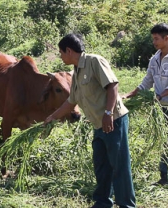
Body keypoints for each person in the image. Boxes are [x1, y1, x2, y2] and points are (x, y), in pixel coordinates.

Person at [45, 33, 136, 208]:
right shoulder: (76, 72)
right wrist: (52, 117)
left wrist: (108, 113)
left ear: (69, 51)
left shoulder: (95, 61)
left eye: (61, 52)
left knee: (119, 166)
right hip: (98, 125)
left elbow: (112, 86)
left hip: (113, 121)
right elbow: (71, 101)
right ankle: (102, 203)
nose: (60, 56)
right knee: (102, 166)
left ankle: (126, 204)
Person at [123, 23, 168, 192]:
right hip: (162, 108)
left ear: (166, 38)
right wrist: (132, 94)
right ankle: (164, 178)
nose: (153, 42)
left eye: (156, 39)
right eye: (153, 38)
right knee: (164, 143)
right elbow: (148, 80)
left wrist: (160, 95)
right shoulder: (155, 58)